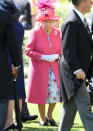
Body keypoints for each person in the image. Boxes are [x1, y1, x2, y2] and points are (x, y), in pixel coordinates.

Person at [25, 0, 62, 126]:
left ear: (54, 22)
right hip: (40, 68)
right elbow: (28, 51)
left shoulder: (57, 32)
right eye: (46, 21)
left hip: (54, 68)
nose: (48, 24)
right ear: (41, 21)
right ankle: (42, 118)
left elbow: (61, 49)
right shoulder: (35, 32)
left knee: (55, 93)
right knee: (43, 93)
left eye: (50, 21)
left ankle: (50, 116)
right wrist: (44, 57)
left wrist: (57, 55)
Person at [58, 0, 93, 131]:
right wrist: (77, 69)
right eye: (90, 1)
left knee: (69, 110)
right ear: (82, 2)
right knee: (86, 109)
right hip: (74, 74)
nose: (92, 3)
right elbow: (67, 50)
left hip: (78, 72)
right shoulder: (71, 22)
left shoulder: (80, 20)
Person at [0, 0, 25, 130]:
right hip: (9, 63)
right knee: (11, 94)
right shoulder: (14, 23)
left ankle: (8, 122)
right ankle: (12, 122)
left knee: (6, 95)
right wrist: (17, 64)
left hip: (5, 63)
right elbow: (14, 45)